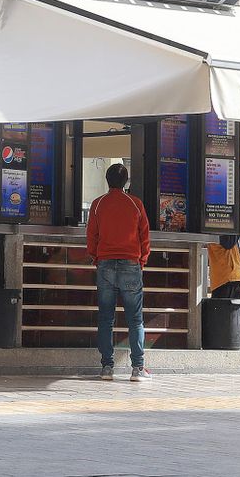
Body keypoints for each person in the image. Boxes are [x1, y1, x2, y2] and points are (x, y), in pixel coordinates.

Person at [86, 163, 151, 382]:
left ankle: (107, 367)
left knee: (106, 318)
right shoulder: (135, 204)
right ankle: (137, 368)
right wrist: (141, 260)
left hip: (105, 264)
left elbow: (92, 236)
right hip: (131, 264)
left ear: (107, 180)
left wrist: (96, 257)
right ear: (126, 182)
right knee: (135, 319)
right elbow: (144, 236)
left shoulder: (98, 204)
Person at [206, 235, 240, 300]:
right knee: (222, 307)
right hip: (224, 278)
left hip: (233, 275)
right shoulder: (220, 229)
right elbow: (229, 242)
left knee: (232, 308)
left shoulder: (231, 233)